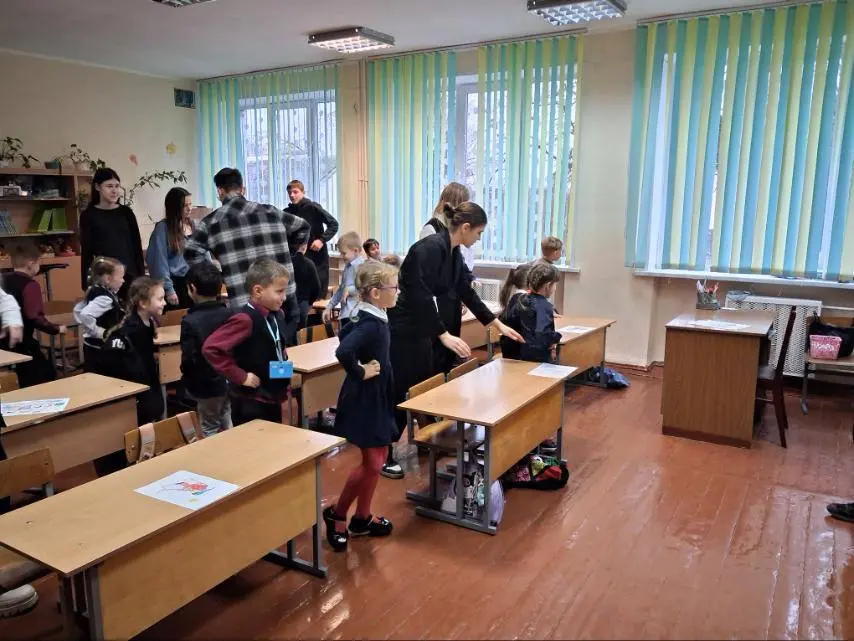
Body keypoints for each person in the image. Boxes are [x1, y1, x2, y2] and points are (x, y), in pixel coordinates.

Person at [384, 201, 524, 479]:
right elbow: (420, 295)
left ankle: (424, 438)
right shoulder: (428, 248)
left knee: (425, 382)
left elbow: (465, 291)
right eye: (479, 233)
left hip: (424, 327)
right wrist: (442, 333)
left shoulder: (453, 250)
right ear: (465, 227)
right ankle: (385, 453)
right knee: (402, 387)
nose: (479, 239)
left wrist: (495, 323)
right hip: (406, 329)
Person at [323, 261, 398, 551]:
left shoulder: (374, 315)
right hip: (366, 397)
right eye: (394, 287)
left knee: (378, 458)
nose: (398, 292)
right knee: (373, 463)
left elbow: (345, 334)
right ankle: (337, 513)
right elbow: (344, 349)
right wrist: (361, 371)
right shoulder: (370, 324)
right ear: (376, 293)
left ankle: (362, 517)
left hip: (377, 394)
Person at [184, 168, 309, 340]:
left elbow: (191, 253)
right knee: (285, 352)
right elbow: (303, 227)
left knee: (254, 354)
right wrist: (288, 252)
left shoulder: (211, 223)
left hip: (245, 303)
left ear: (220, 191)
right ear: (242, 189)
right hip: (282, 297)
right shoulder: (270, 212)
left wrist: (218, 274)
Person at [203, 258, 291, 426]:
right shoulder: (245, 319)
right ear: (258, 291)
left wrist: (284, 383)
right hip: (251, 400)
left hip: (272, 395)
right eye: (279, 291)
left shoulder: (276, 315)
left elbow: (276, 350)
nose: (284, 297)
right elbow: (211, 348)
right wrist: (240, 376)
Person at [499, 263, 562, 453]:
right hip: (533, 362)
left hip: (512, 359)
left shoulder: (517, 300)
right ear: (548, 286)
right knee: (539, 401)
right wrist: (555, 338)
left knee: (516, 400)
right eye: (555, 285)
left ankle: (520, 436)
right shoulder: (544, 306)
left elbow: (505, 324)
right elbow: (541, 336)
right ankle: (537, 437)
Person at [419, 183, 477, 374]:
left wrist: (467, 283)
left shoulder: (453, 229)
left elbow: (458, 263)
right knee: (438, 357)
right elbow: (430, 276)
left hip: (451, 300)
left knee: (449, 357)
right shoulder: (431, 229)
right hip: (438, 303)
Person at [180, 262, 233, 437]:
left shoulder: (190, 321)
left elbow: (189, 358)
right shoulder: (230, 314)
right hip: (230, 378)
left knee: (209, 426)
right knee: (226, 417)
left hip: (205, 384)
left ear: (192, 288)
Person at [1, 244, 65, 386]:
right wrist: (56, 328)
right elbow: (34, 317)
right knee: (46, 375)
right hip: (21, 342)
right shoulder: (30, 285)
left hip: (2, 343)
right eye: (38, 262)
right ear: (31, 263)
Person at [79, 168, 144, 301]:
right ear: (97, 187)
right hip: (105, 277)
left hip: (129, 275)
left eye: (117, 186)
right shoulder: (88, 215)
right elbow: (87, 251)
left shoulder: (126, 213)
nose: (114, 191)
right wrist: (86, 283)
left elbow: (136, 245)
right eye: (109, 186)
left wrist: (141, 276)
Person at [285, 179, 339, 295]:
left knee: (317, 292)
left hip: (316, 256)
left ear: (303, 192)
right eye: (289, 193)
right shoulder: (287, 212)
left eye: (295, 192)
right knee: (299, 293)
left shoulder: (313, 207)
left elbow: (334, 224)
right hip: (297, 258)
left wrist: (321, 240)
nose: (292, 195)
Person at [146, 187, 195, 310]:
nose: (189, 208)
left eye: (190, 204)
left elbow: (203, 253)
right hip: (175, 284)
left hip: (194, 282)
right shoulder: (163, 228)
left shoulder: (192, 225)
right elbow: (159, 261)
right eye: (185, 205)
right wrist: (169, 289)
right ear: (175, 207)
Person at [73, 256, 125, 372]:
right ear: (108, 279)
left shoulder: (94, 290)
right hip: (101, 350)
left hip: (91, 346)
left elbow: (77, 310)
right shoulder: (104, 298)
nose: (123, 281)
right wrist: (99, 332)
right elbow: (85, 314)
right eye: (121, 277)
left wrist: (88, 330)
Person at [322, 232, 365, 329]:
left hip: (357, 314)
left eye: (344, 253)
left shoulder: (362, 266)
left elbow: (365, 288)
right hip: (346, 314)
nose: (341, 256)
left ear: (356, 251)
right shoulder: (348, 267)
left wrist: (349, 290)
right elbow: (342, 289)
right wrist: (329, 306)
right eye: (340, 253)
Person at [290, 240, 321, 329]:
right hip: (303, 303)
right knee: (301, 331)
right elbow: (316, 287)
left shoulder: (287, 262)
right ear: (305, 247)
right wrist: (310, 302)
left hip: (288, 302)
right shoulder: (309, 263)